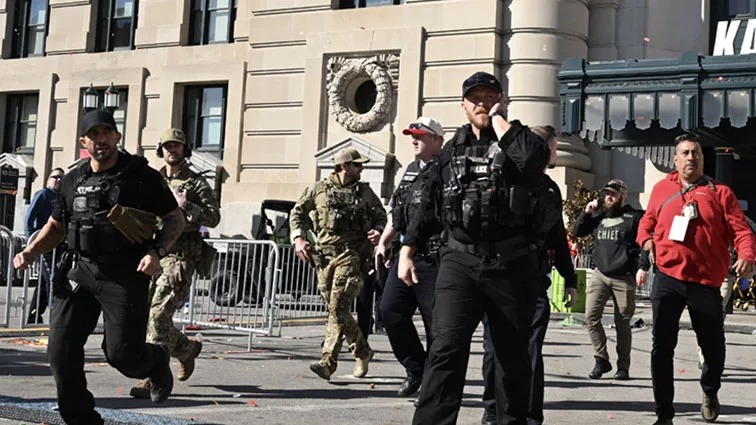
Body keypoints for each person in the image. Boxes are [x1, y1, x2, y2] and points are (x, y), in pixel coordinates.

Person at [397, 71, 558, 425]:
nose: (482, 103)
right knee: (445, 349)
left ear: (502, 98)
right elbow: (428, 202)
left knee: (510, 357)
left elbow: (535, 163)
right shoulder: (452, 148)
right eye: (476, 98)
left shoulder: (521, 140)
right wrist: (407, 248)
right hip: (459, 262)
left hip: (510, 265)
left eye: (490, 96)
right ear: (464, 105)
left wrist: (500, 120)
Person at [13, 110, 185, 425]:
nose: (100, 139)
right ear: (84, 142)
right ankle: (81, 419)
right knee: (60, 352)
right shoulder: (72, 179)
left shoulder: (140, 176)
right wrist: (31, 250)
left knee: (122, 355)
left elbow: (176, 218)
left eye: (106, 132)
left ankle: (156, 360)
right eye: (93, 135)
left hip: (124, 273)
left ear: (117, 137)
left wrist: (157, 252)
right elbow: (56, 226)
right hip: (79, 270)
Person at [637, 133, 755, 425]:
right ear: (675, 160)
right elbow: (647, 222)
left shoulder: (721, 193)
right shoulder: (661, 189)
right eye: (686, 153)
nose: (691, 157)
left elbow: (741, 231)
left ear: (703, 158)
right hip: (667, 277)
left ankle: (710, 390)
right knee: (661, 345)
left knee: (712, 345)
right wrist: (646, 241)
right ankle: (664, 412)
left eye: (696, 153)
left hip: (705, 281)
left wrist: (747, 256)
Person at [479, 125, 578, 425]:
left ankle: (525, 415)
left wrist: (569, 279)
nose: (555, 153)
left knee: (524, 348)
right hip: (502, 278)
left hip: (531, 280)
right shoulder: (501, 180)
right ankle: (495, 410)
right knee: (498, 347)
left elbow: (557, 236)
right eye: (553, 147)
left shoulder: (549, 188)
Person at [129, 128, 221, 398]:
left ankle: (152, 377)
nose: (173, 150)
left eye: (178, 146)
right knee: (148, 316)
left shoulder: (196, 183)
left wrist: (187, 207)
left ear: (185, 149)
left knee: (159, 316)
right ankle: (186, 349)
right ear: (161, 150)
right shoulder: (152, 179)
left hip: (181, 256)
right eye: (168, 146)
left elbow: (213, 218)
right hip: (153, 253)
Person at [290, 147, 387, 381]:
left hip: (351, 255)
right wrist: (299, 239)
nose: (361, 169)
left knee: (338, 305)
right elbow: (297, 213)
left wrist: (378, 232)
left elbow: (381, 216)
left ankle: (327, 361)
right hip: (323, 258)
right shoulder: (318, 190)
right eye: (356, 165)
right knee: (338, 310)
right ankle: (362, 351)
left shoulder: (365, 192)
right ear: (343, 166)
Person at [375, 116, 445, 398]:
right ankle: (416, 368)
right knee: (389, 310)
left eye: (421, 135)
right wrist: (383, 242)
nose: (414, 139)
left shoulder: (446, 171)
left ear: (437, 141)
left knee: (436, 325)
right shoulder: (410, 171)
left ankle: (435, 384)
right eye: (411, 135)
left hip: (433, 259)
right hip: (405, 257)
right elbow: (397, 212)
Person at [572, 178, 645, 381]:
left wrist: (643, 268)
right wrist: (587, 212)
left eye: (613, 193)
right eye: (606, 194)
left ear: (623, 195)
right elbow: (578, 231)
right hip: (600, 275)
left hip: (623, 277)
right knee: (591, 317)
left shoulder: (635, 217)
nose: (608, 197)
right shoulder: (599, 217)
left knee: (622, 323)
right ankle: (601, 359)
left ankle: (623, 367)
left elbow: (644, 244)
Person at [24, 167, 65, 324]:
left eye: (61, 178)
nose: (58, 180)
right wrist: (31, 242)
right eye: (55, 177)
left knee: (44, 281)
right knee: (53, 278)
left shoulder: (61, 197)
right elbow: (29, 218)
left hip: (57, 243)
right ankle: (57, 316)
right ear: (48, 180)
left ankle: (33, 316)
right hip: (43, 243)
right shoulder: (43, 194)